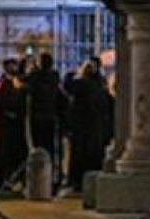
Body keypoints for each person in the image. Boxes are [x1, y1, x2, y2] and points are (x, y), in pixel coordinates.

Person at [67, 59, 111, 191]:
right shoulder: (100, 87)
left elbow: (67, 87)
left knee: (79, 155)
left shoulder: (81, 84)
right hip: (96, 127)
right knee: (93, 156)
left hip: (81, 127)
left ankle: (77, 182)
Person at [0, 59, 27, 191]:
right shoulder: (6, 84)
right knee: (4, 154)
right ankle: (3, 181)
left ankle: (3, 181)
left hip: (4, 124)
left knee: (5, 154)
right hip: (6, 125)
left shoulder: (1, 83)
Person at [24, 53, 64, 183]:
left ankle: (37, 175)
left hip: (37, 116)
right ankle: (50, 174)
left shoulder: (35, 76)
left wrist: (30, 68)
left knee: (37, 147)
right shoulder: (55, 76)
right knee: (50, 146)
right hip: (51, 116)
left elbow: (25, 83)